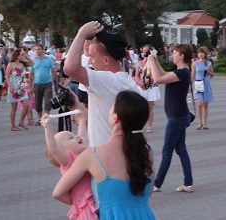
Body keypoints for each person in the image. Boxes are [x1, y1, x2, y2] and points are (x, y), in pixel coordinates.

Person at [53, 90, 155, 219]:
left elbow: (58, 193)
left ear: (115, 118)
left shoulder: (93, 155)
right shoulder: (147, 151)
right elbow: (148, 191)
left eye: (111, 108)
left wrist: (85, 203)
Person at [63, 21, 140, 147]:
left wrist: (81, 34)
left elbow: (70, 68)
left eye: (92, 57)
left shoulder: (109, 81)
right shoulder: (123, 81)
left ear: (105, 60)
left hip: (106, 155)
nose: (90, 62)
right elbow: (101, 118)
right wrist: (76, 104)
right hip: (119, 151)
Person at [147, 44, 194, 193]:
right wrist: (155, 61)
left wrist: (150, 61)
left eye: (174, 53)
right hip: (179, 116)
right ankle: (188, 183)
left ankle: (157, 183)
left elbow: (158, 79)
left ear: (182, 56)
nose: (172, 55)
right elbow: (163, 75)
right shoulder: (181, 72)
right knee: (180, 149)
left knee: (167, 150)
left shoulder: (183, 73)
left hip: (177, 117)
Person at [42, 97, 97, 220]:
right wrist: (47, 128)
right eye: (71, 138)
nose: (77, 137)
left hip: (95, 202)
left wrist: (81, 121)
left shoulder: (83, 154)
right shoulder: (69, 160)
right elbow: (54, 149)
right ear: (63, 151)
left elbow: (83, 137)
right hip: (86, 207)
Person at [133, 44, 161, 133]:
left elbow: (156, 74)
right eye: (143, 51)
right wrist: (140, 83)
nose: (145, 52)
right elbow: (136, 75)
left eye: (147, 51)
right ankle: (140, 125)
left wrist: (147, 82)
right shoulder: (139, 63)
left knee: (149, 107)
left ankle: (149, 126)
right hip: (141, 86)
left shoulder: (153, 63)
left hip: (151, 86)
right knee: (139, 107)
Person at [5, 48, 34, 131]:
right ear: (17, 56)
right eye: (21, 55)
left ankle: (21, 121)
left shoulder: (22, 64)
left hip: (21, 88)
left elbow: (32, 63)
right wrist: (9, 86)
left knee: (27, 105)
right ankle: (13, 125)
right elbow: (7, 75)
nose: (22, 56)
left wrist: (26, 56)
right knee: (14, 108)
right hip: (13, 87)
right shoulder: (11, 64)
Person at [30, 44, 56, 126]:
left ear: (42, 50)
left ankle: (46, 118)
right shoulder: (33, 61)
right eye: (36, 50)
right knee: (38, 103)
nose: (37, 51)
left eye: (39, 49)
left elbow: (53, 70)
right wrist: (31, 85)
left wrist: (53, 80)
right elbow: (31, 73)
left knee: (48, 102)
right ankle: (40, 119)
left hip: (47, 83)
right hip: (37, 84)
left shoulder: (48, 59)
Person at [191, 47, 214, 130]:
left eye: (202, 53)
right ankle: (199, 122)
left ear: (205, 54)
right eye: (199, 53)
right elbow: (193, 75)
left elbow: (212, 75)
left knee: (205, 104)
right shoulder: (194, 63)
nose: (200, 54)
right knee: (199, 104)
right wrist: (190, 85)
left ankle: (204, 123)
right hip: (198, 84)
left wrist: (207, 71)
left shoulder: (208, 63)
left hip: (205, 83)